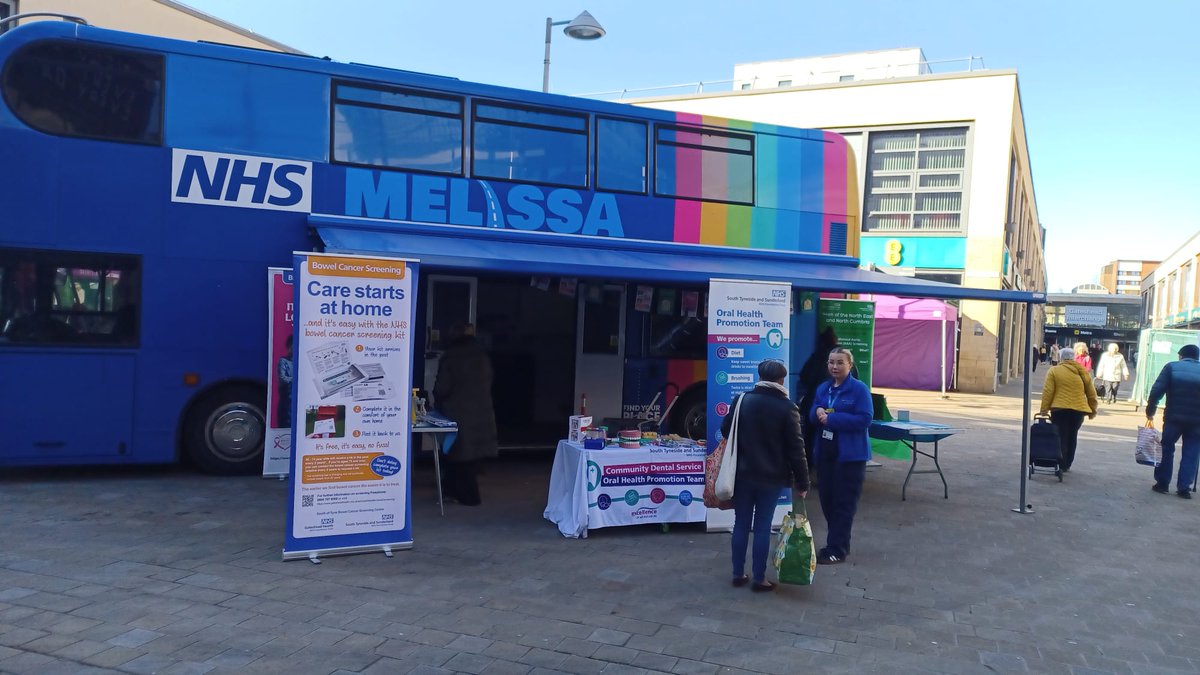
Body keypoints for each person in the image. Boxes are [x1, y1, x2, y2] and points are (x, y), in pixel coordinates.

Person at [720, 359, 809, 592]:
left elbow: (725, 430)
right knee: (762, 526)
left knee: (741, 524)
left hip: (742, 475)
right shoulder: (788, 408)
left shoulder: (742, 400)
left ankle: (738, 574)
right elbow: (796, 449)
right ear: (782, 380)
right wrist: (803, 481)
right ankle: (759, 579)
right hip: (771, 478)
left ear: (759, 377)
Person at [809, 347, 873, 565]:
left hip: (850, 457)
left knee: (843, 504)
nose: (834, 367)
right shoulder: (824, 388)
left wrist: (832, 420)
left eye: (839, 362)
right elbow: (813, 412)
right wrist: (817, 412)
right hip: (826, 454)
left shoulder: (859, 390)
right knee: (827, 501)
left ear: (850, 365)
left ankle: (837, 549)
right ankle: (836, 542)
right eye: (831, 362)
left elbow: (865, 419)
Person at [433, 323, 498, 506]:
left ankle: (468, 497)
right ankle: (454, 491)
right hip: (482, 410)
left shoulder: (451, 356)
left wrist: (437, 400)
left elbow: (443, 387)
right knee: (470, 455)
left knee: (457, 454)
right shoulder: (482, 355)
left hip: (457, 411)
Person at [1146, 344, 1200, 498]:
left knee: (1166, 448)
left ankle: (1162, 483)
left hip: (1173, 418)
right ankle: (1184, 487)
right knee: (1192, 452)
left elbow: (1156, 390)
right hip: (1197, 421)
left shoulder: (1171, 367)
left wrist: (1150, 411)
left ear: (1181, 356)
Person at [1039, 347, 1098, 472]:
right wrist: (1092, 410)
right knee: (1072, 436)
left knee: (1061, 436)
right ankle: (1067, 464)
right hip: (1078, 411)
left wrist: (1044, 410)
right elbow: (1091, 393)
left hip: (1059, 410)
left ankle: (1061, 462)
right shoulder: (1082, 371)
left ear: (1061, 357)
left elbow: (1048, 392)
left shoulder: (1054, 371)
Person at [277, 335, 294, 428]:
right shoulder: (283, 361)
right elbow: (282, 378)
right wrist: (297, 379)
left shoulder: (302, 361)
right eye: (291, 346)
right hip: (287, 399)